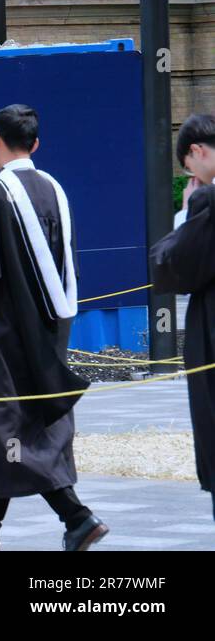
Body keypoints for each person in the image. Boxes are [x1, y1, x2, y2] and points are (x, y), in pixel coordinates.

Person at [0, 104, 107, 551]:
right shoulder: (56, 192)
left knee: (6, 430)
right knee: (29, 425)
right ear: (35, 144)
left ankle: (76, 515)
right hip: (50, 333)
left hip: (3, 338)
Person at [149, 113, 215, 519]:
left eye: (188, 168)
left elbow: (174, 264)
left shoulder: (206, 201)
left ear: (195, 152)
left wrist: (189, 210)